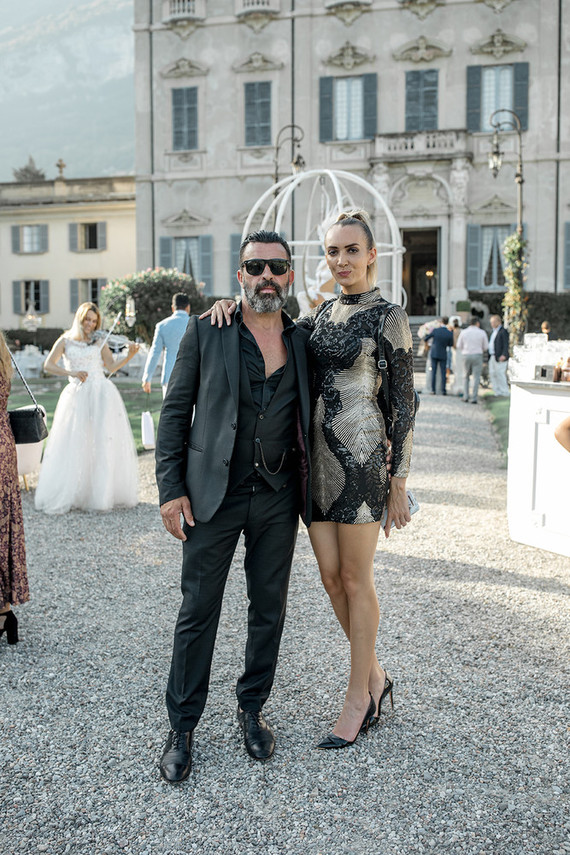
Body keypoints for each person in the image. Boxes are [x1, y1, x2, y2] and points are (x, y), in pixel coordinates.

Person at [206, 211, 416, 751]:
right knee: (330, 578)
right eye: (333, 252)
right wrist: (230, 304)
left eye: (352, 250)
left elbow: (404, 403)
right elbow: (270, 322)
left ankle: (358, 697)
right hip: (315, 464)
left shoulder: (389, 316)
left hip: (363, 462)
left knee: (356, 578)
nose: (341, 261)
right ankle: (377, 677)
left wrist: (398, 480)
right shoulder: (320, 315)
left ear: (372, 255)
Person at [155, 231, 312, 783]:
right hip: (210, 496)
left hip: (278, 496)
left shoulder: (303, 339)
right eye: (256, 267)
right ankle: (182, 727)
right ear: (240, 274)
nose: (267, 276)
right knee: (198, 610)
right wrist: (170, 489)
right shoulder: (207, 329)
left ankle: (252, 709)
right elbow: (175, 413)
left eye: (277, 267)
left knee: (269, 608)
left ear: (290, 275)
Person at [35, 302, 140, 514]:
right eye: (87, 320)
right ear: (79, 318)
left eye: (94, 321)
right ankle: (73, 491)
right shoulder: (65, 340)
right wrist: (71, 373)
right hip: (77, 394)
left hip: (101, 393)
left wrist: (129, 356)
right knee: (74, 441)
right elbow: (48, 365)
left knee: (101, 440)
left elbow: (111, 366)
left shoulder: (99, 340)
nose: (90, 324)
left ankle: (100, 494)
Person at [0, 332, 30, 644]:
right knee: (4, 525)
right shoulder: (3, 354)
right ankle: (5, 610)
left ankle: (3, 612)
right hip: (4, 443)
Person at [141, 293, 191, 397]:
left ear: (173, 308)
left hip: (170, 377)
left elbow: (155, 353)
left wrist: (147, 378)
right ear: (188, 307)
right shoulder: (195, 324)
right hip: (191, 376)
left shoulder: (162, 326)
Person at [456, 317, 489, 404]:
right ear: (477, 323)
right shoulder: (482, 332)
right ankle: (474, 397)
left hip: (466, 354)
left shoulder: (464, 332)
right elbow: (486, 346)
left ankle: (466, 396)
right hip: (477, 354)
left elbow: (459, 345)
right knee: (476, 377)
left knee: (465, 376)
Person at [423, 317, 453, 395]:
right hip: (443, 353)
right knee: (443, 372)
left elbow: (426, 338)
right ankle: (443, 390)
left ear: (441, 322)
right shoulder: (449, 333)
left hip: (434, 353)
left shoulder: (436, 330)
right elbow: (450, 344)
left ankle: (433, 390)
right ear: (447, 323)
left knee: (434, 372)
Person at [488, 314, 510, 396]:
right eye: (491, 322)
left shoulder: (503, 331)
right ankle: (497, 390)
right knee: (493, 373)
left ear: (498, 322)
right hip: (492, 355)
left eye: (493, 322)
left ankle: (504, 391)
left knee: (500, 374)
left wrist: (504, 354)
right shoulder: (493, 331)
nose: (492, 324)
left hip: (500, 356)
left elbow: (506, 344)